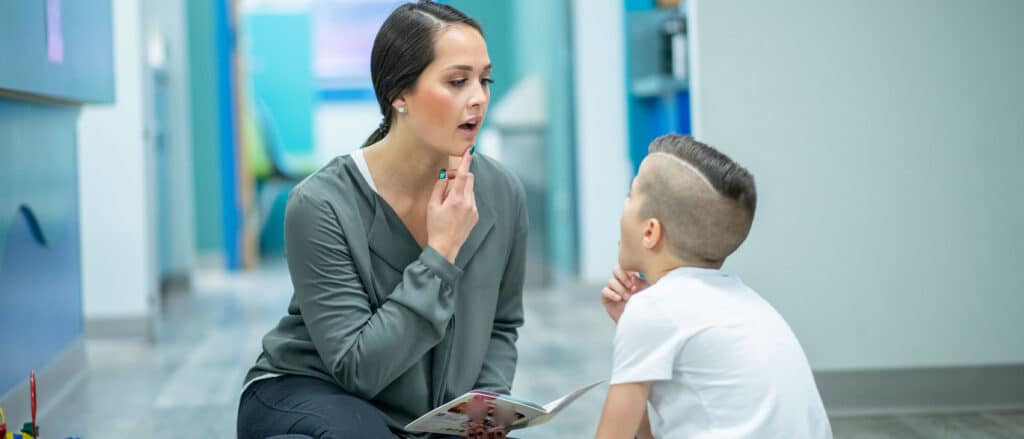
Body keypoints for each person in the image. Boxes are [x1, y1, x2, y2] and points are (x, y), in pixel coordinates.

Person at [236, 2, 527, 438]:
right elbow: (360, 370)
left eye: (484, 80)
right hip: (316, 390)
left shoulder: (502, 193)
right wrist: (441, 252)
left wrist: (481, 414)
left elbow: (502, 325)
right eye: (457, 81)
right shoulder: (320, 204)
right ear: (399, 94)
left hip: (423, 417)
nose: (479, 97)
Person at [594, 135, 832, 438]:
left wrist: (637, 320)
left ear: (650, 231)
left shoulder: (654, 310)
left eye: (630, 195)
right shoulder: (746, 304)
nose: (623, 204)